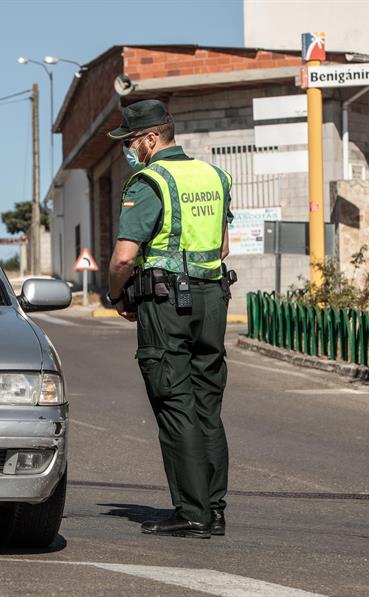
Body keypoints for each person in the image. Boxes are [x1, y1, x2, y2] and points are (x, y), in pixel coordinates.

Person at [105, 99, 233, 539]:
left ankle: (191, 513)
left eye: (131, 141)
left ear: (151, 138)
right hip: (213, 298)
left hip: (167, 303)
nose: (129, 150)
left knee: (174, 402)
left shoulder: (149, 181)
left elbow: (125, 256)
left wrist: (116, 293)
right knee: (206, 406)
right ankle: (214, 510)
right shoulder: (215, 177)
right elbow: (222, 249)